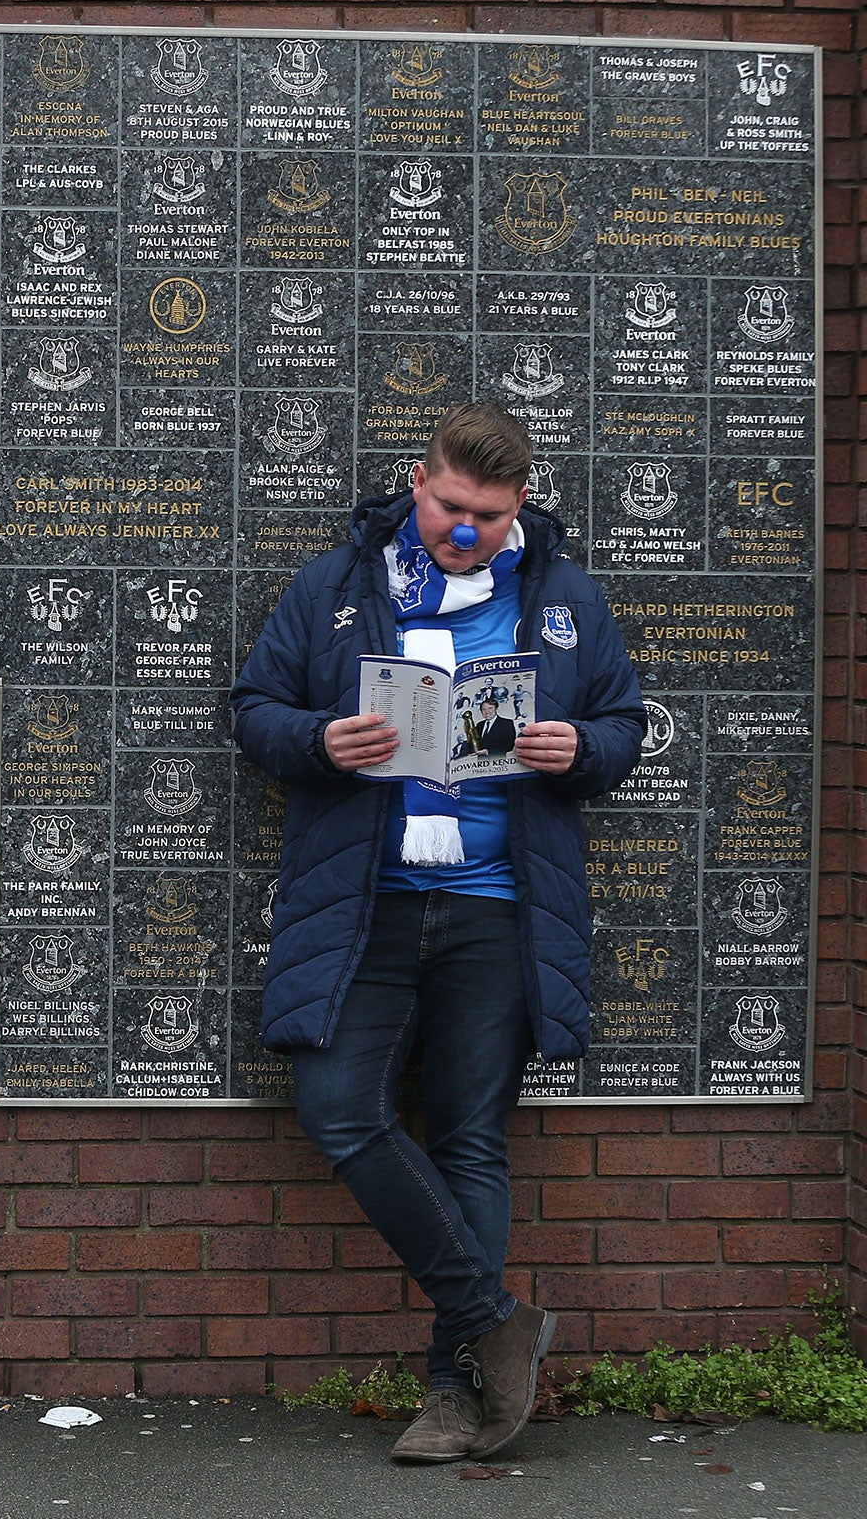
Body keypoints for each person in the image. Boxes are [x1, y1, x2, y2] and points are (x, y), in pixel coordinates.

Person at [231, 403, 644, 1464]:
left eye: (489, 519)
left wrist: (576, 748)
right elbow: (253, 711)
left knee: (467, 1138)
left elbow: (622, 725)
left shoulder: (560, 597)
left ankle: (456, 1397)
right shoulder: (335, 587)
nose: (466, 533)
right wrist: (322, 738)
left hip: (498, 907)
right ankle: (491, 1318)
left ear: (520, 507)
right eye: (452, 509)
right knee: (334, 1107)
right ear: (416, 481)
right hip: (363, 901)